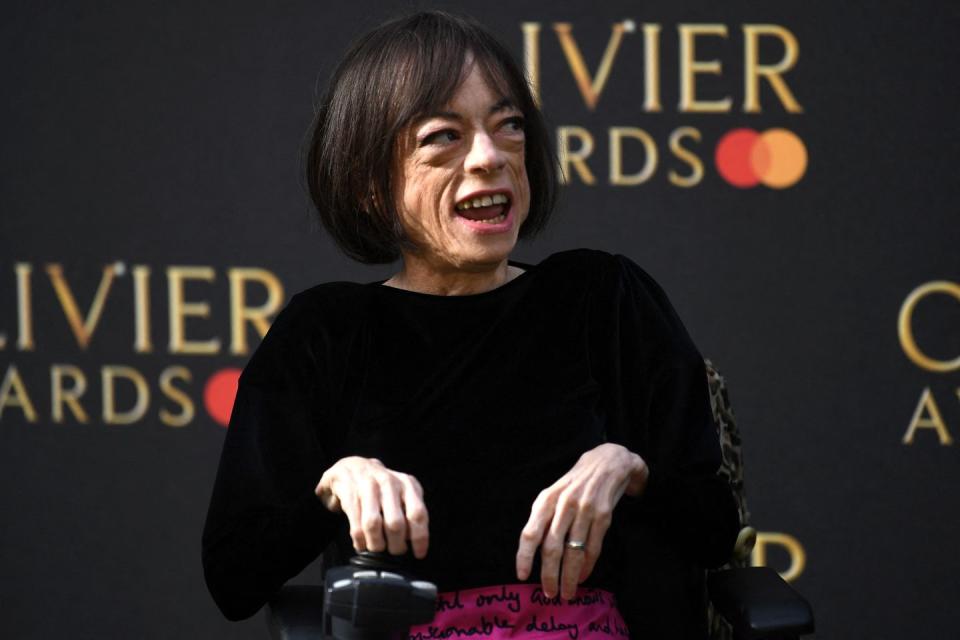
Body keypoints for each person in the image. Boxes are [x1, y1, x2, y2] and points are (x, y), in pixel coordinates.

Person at [202, 11, 739, 638]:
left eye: (508, 126)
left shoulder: (603, 296)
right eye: (443, 137)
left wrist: (628, 468)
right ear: (371, 184)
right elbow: (234, 578)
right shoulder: (325, 333)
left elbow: (713, 526)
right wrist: (334, 486)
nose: (490, 157)